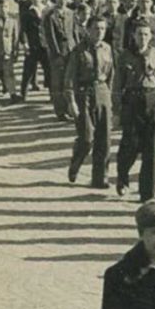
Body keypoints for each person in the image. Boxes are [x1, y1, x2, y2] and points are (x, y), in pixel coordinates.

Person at [114, 19, 155, 201]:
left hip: (152, 100)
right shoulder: (125, 56)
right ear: (133, 36)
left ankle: (147, 194)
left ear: (151, 36)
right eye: (139, 34)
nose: (142, 38)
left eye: (146, 34)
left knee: (152, 149)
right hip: (132, 101)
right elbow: (117, 84)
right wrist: (116, 110)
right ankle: (122, 177)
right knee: (130, 145)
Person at [65, 16, 115, 188]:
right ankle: (76, 162)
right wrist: (71, 101)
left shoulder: (107, 49)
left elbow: (111, 76)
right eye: (96, 28)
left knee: (104, 138)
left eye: (103, 29)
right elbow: (70, 78)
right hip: (83, 94)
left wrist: (112, 99)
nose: (100, 32)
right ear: (88, 30)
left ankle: (100, 178)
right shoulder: (78, 50)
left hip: (102, 93)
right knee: (87, 138)